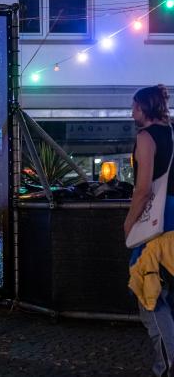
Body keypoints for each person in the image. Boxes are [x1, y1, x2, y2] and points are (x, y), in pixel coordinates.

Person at [125, 85, 174, 377]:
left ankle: (166, 366)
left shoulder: (145, 138)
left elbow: (143, 189)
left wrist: (129, 222)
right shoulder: (172, 133)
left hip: (156, 223)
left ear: (144, 109)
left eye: (134, 107)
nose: (132, 112)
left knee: (149, 295)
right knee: (167, 293)